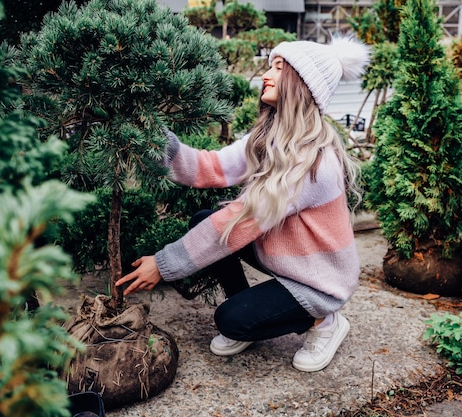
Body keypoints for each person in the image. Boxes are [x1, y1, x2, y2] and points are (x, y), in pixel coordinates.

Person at [116, 35, 371, 372]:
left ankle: (323, 323)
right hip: (288, 257)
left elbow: (240, 219)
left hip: (318, 281)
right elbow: (209, 167)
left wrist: (163, 265)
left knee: (231, 320)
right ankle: (253, 310)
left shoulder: (314, 163)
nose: (266, 74)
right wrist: (149, 133)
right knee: (203, 218)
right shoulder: (268, 138)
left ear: (301, 83)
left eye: (278, 68)